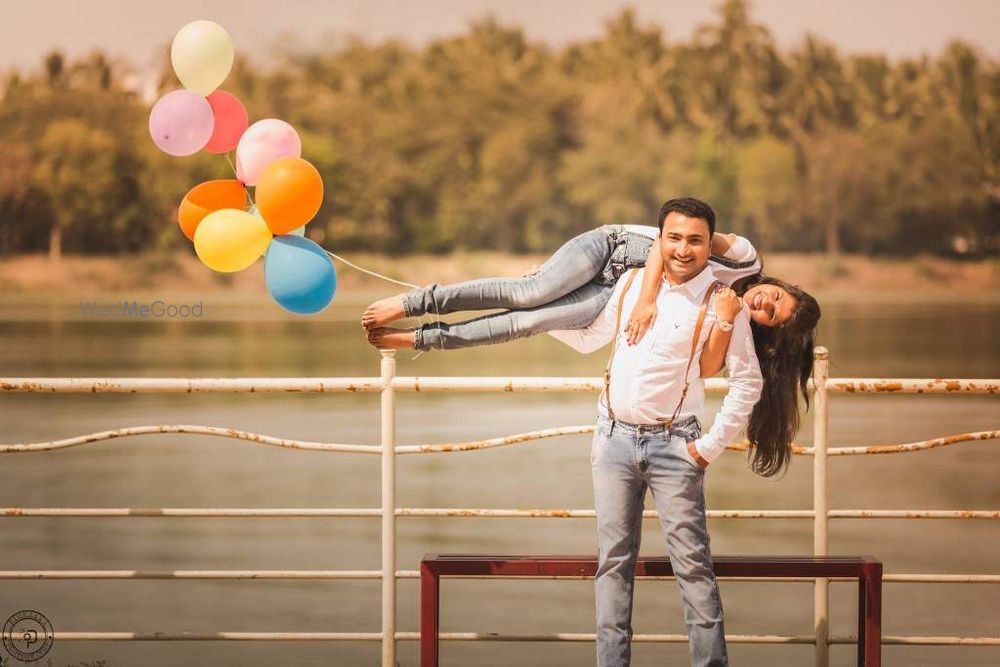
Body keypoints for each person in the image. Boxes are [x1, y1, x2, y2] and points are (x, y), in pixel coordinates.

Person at [362, 219, 820, 477]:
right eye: (776, 297)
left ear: (765, 330)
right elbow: (667, 240)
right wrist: (645, 301)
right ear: (779, 285)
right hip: (615, 252)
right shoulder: (744, 259)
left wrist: (725, 319)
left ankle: (422, 338)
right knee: (528, 295)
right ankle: (412, 302)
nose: (764, 304)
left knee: (531, 321)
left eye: (770, 316)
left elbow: (703, 370)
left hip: (614, 296)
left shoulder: (730, 316)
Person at [548, 197, 762, 666]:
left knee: (693, 569)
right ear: (658, 240)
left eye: (695, 240)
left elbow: (747, 381)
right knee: (613, 565)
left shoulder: (721, 301)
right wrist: (535, 313)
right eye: (674, 238)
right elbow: (587, 338)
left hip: (676, 448)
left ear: (710, 246)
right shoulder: (629, 285)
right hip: (612, 442)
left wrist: (707, 448)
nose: (683, 249)